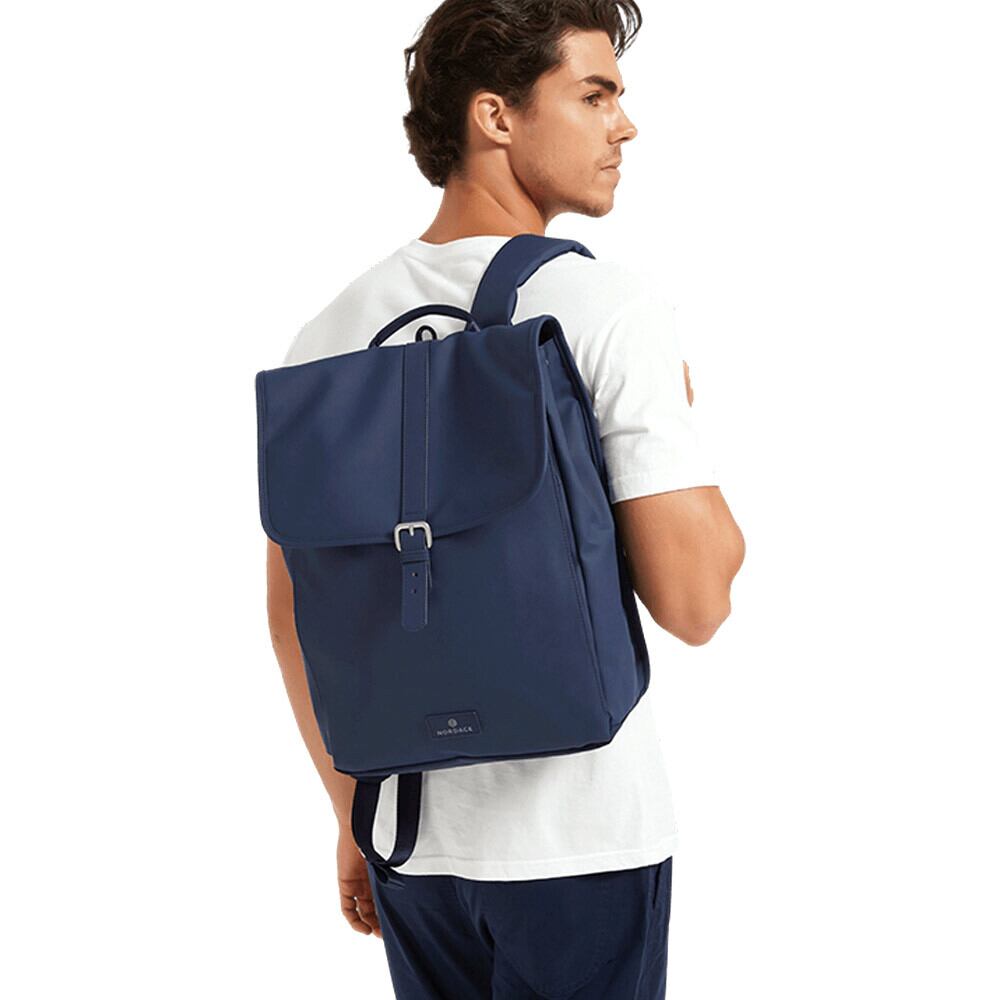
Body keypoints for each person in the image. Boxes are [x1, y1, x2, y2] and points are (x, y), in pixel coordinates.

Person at [265, 1, 746, 996]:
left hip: (411, 844)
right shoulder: (604, 307)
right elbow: (696, 602)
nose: (625, 125)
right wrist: (675, 421)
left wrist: (353, 815)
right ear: (495, 116)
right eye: (594, 94)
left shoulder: (325, 338)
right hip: (581, 841)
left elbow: (294, 609)